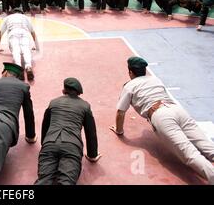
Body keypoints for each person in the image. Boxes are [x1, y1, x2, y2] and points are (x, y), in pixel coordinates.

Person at [110, 57, 214, 185]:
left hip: (160, 115)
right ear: (144, 70)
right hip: (177, 109)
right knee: (208, 146)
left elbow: (121, 112)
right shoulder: (155, 79)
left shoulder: (129, 86)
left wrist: (119, 131)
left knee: (190, 154)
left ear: (131, 72)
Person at [35, 78, 101, 185]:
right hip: (72, 146)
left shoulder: (54, 103)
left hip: (50, 143)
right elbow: (91, 133)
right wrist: (92, 154)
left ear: (64, 90)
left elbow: (45, 125)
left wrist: (44, 144)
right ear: (79, 92)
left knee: (44, 179)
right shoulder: (85, 106)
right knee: (66, 181)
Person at [0, 8, 38, 81]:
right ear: (21, 13)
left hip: (13, 33)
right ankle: (28, 67)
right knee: (26, 50)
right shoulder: (25, 17)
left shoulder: (7, 18)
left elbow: (0, 34)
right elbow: (33, 32)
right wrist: (36, 45)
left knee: (16, 51)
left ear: (13, 13)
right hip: (24, 33)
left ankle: (19, 68)